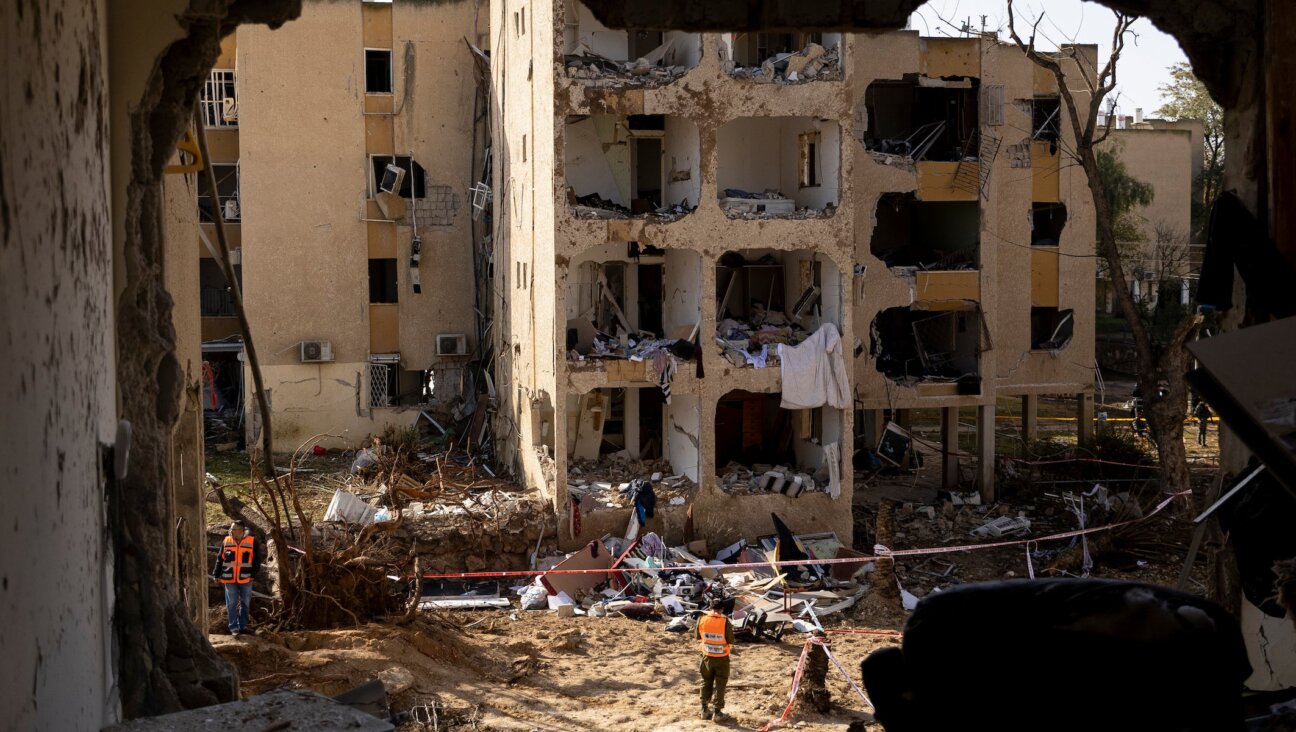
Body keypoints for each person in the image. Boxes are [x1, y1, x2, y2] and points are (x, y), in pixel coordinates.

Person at [212, 521, 262, 636]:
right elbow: (220, 559)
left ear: (242, 530)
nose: (233, 532)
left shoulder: (252, 541)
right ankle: (234, 628)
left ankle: (242, 626)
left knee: (245, 603)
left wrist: (253, 575)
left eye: (235, 529)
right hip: (229, 578)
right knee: (231, 604)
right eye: (232, 529)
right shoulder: (226, 540)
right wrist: (216, 574)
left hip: (246, 578)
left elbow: (257, 560)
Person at [697, 598, 735, 721]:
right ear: (722, 609)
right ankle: (717, 713)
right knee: (720, 684)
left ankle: (704, 710)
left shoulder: (702, 619)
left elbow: (698, 636)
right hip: (722, 658)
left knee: (705, 681)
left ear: (710, 607)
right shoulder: (725, 621)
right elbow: (731, 640)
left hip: (706, 656)